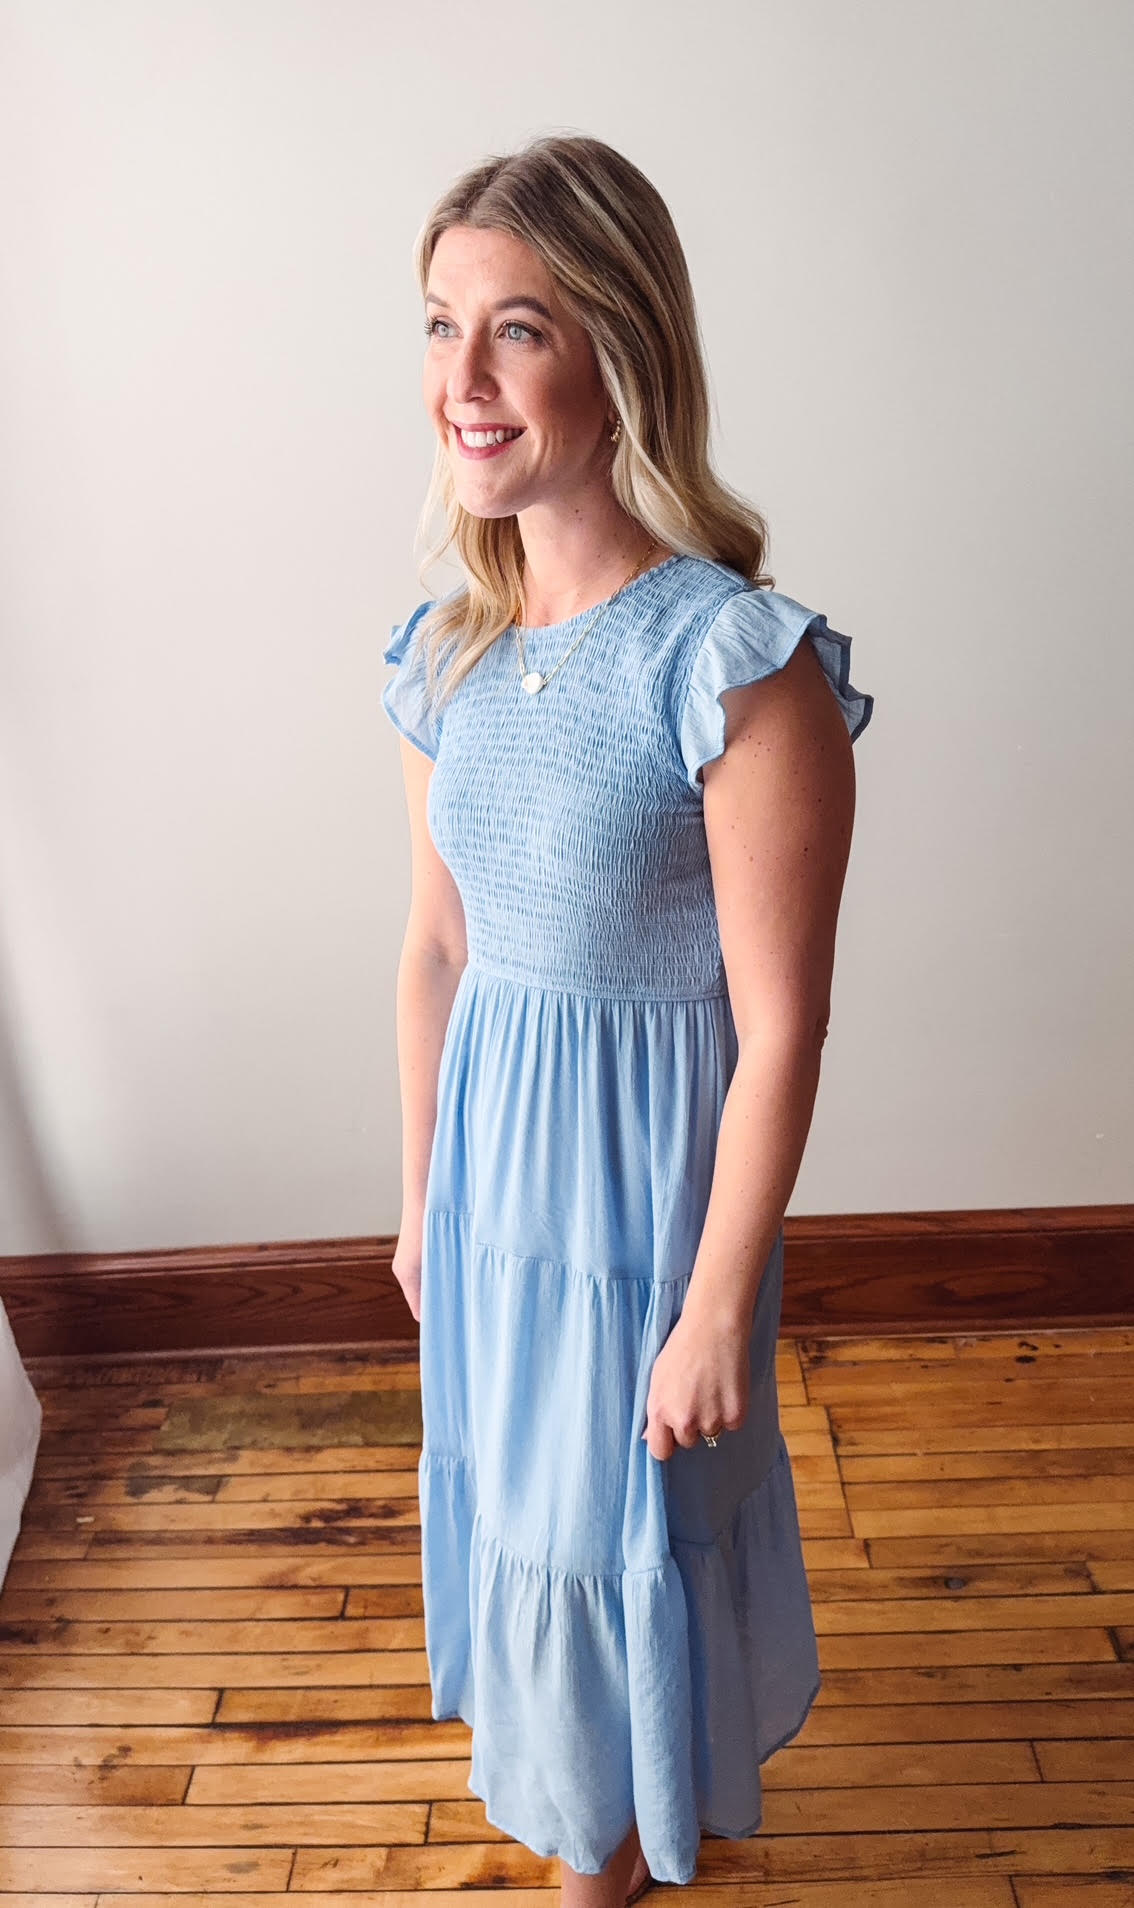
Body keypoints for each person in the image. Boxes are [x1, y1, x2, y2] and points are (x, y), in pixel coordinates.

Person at [381, 134, 874, 1908]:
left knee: (615, 1540)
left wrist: (716, 1305)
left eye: (516, 329)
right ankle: (591, 1828)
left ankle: (604, 1863)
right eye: (440, 325)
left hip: (637, 1213)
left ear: (620, 349)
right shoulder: (449, 649)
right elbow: (436, 947)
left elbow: (784, 1026)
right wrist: (421, 1196)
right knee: (525, 1525)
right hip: (491, 1197)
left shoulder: (732, 663)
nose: (464, 376)